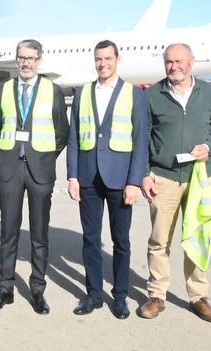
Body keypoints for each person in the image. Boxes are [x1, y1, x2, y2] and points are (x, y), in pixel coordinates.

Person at [137, 43, 211, 323]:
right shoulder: (153, 95)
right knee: (159, 241)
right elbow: (142, 138)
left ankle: (198, 297)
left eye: (179, 61)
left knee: (197, 238)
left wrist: (210, 146)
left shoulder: (208, 93)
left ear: (191, 62)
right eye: (168, 62)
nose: (173, 67)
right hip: (163, 178)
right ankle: (157, 295)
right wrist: (144, 174)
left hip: (200, 177)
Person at [0, 39, 69, 315]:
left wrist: (42, 156)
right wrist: (11, 152)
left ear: (39, 60)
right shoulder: (5, 89)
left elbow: (61, 132)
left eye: (31, 58)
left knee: (39, 233)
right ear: (16, 59)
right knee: (8, 232)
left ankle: (37, 289)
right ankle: (5, 287)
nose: (26, 62)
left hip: (40, 170)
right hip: (11, 169)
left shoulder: (52, 90)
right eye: (22, 57)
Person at [66, 40, 148, 319]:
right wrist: (72, 176)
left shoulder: (133, 94)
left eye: (108, 58)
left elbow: (140, 141)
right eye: (98, 59)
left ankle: (121, 296)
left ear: (117, 59)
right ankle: (93, 294)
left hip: (120, 178)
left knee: (120, 241)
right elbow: (74, 138)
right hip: (88, 177)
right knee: (90, 240)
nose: (103, 63)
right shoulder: (84, 93)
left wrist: (134, 181)